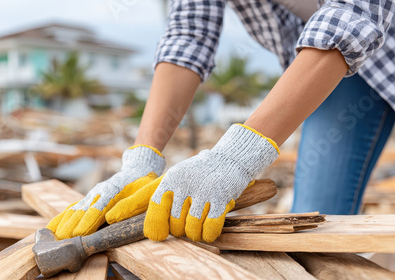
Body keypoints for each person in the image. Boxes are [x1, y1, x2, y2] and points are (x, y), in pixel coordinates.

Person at [47, 0, 395, 243]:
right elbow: (189, 36)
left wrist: (237, 156)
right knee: (313, 230)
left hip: (374, 47)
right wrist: (142, 158)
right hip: (336, 78)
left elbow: (355, 12)